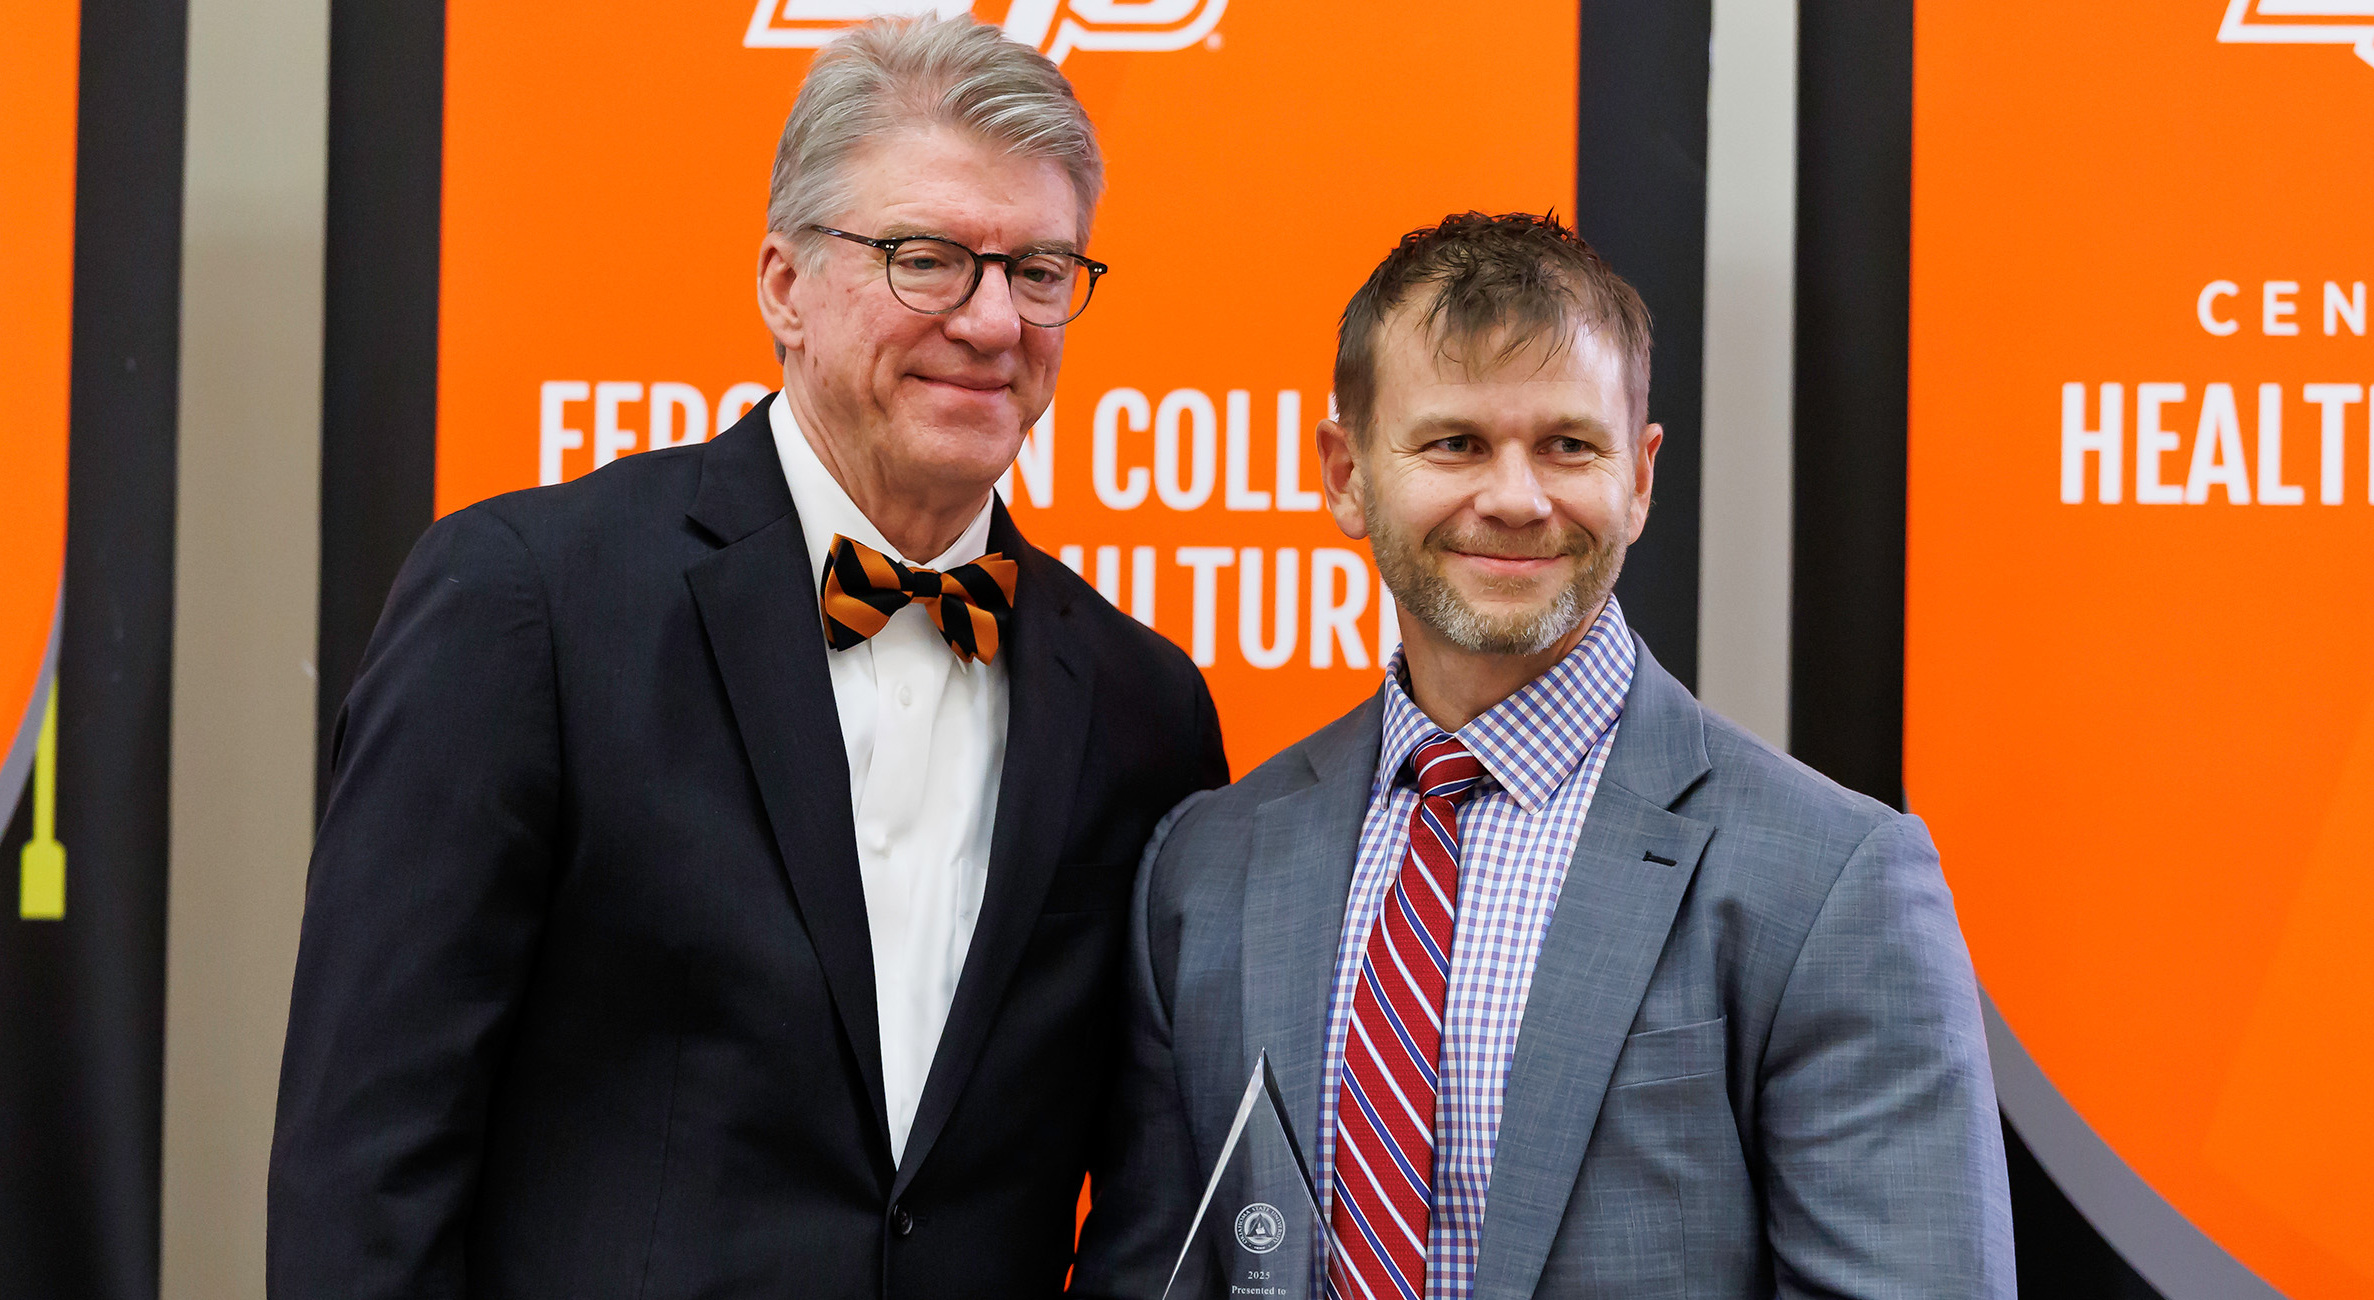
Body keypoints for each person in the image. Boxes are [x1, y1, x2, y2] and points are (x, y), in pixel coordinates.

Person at [269, 17, 1226, 1298]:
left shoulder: (1143, 705)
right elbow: (364, 1163)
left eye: (1040, 269)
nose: (995, 321)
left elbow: (1154, 1200)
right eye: (927, 258)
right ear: (783, 283)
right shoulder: (524, 604)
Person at [1070, 212, 2012, 1299]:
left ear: (1640, 476)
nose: (1516, 498)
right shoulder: (1206, 865)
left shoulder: (1832, 878)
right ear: (1345, 473)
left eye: (1568, 444)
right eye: (1454, 442)